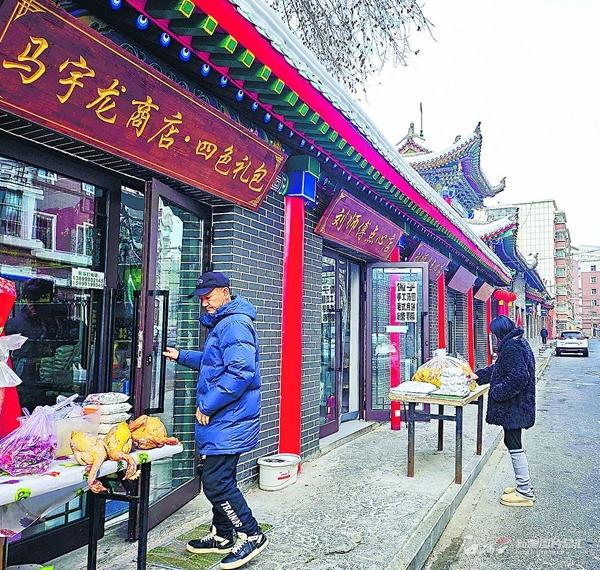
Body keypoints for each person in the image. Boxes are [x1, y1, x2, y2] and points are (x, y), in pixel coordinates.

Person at [163, 272, 268, 569]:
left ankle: (251, 534)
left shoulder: (234, 323)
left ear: (224, 292)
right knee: (221, 478)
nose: (204, 303)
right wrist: (181, 355)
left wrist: (208, 405)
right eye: (201, 299)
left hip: (229, 419)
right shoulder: (225, 322)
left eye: (208, 297)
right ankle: (222, 535)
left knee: (216, 482)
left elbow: (240, 372)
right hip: (227, 419)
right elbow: (215, 362)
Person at [476, 316, 536, 507]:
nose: (494, 338)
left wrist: (497, 392)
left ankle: (525, 492)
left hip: (514, 407)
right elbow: (499, 369)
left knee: (514, 443)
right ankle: (523, 486)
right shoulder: (517, 342)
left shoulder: (512, 347)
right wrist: (477, 376)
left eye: (494, 334)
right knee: (512, 441)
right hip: (518, 406)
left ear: (499, 333)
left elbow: (519, 377)